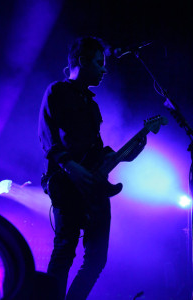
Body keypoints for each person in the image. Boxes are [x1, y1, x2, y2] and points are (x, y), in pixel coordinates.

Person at [38, 36, 146, 300]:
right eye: (99, 63)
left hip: (94, 189)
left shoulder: (92, 104)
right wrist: (69, 165)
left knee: (97, 260)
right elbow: (47, 135)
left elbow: (99, 153)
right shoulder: (57, 91)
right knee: (64, 251)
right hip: (67, 183)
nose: (104, 69)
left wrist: (134, 148)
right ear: (83, 61)